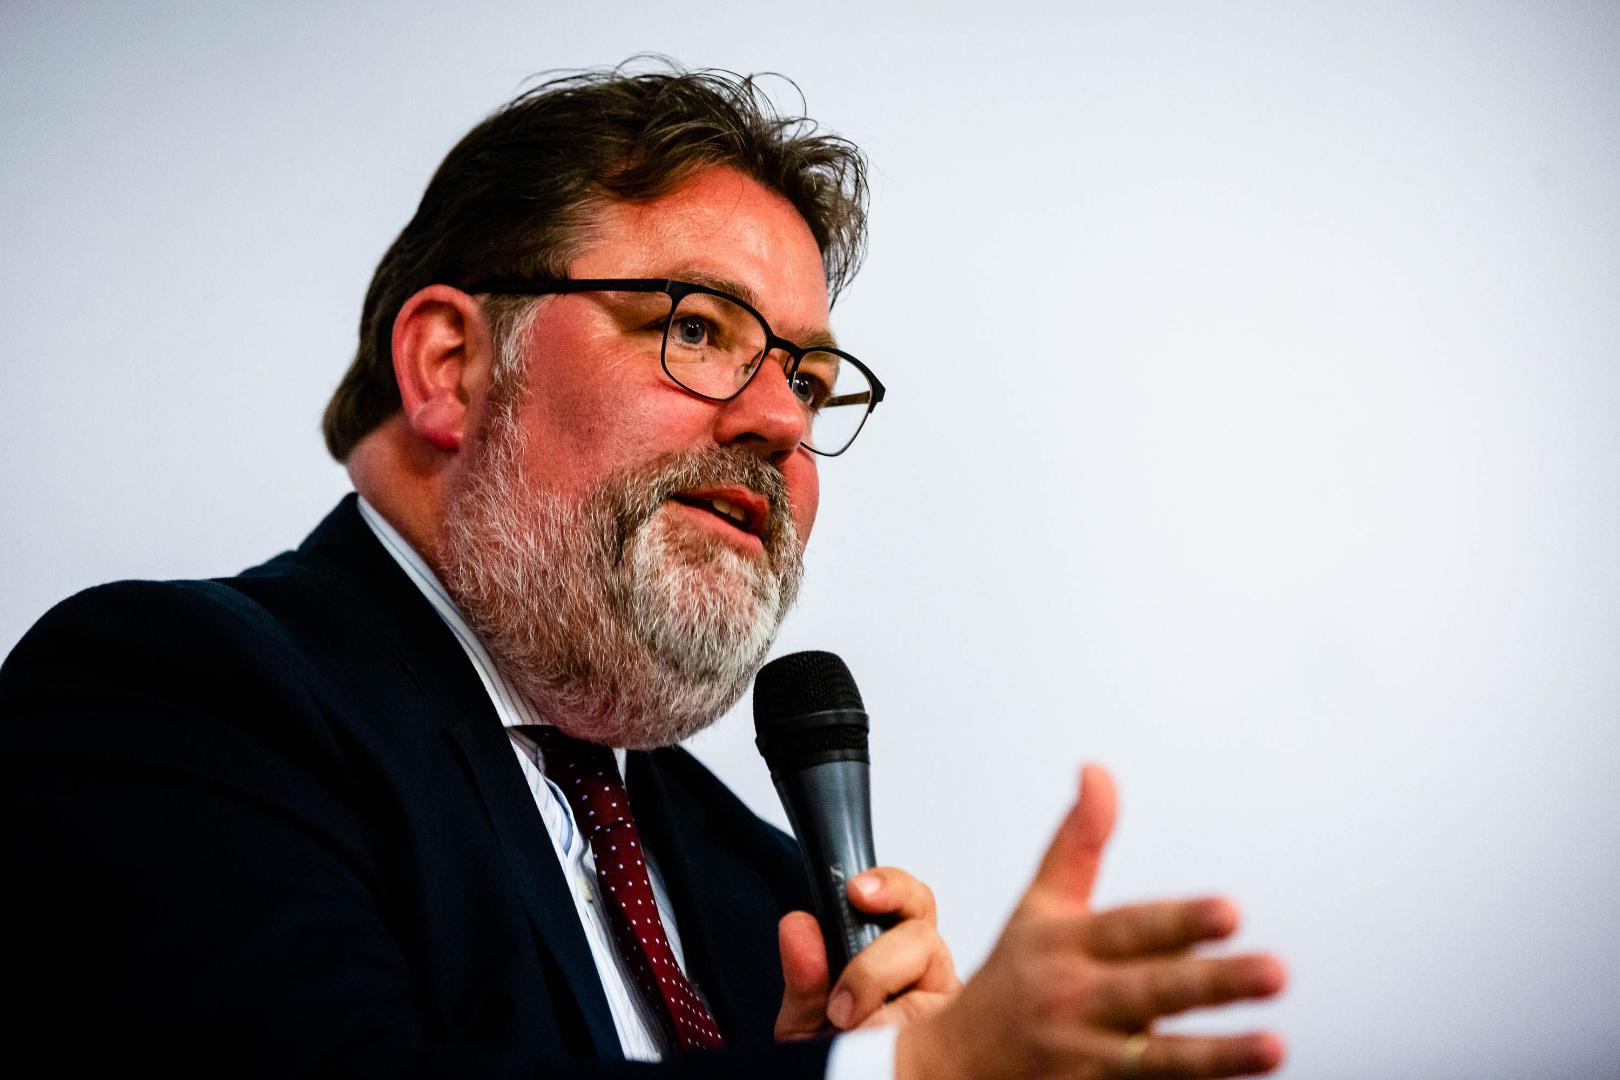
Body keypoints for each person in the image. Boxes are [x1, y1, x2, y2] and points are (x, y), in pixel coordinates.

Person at [0, 63, 1287, 1078]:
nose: (779, 421)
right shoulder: (173, 696)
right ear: (450, 366)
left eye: (811, 380)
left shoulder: (765, 889)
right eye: (696, 326)